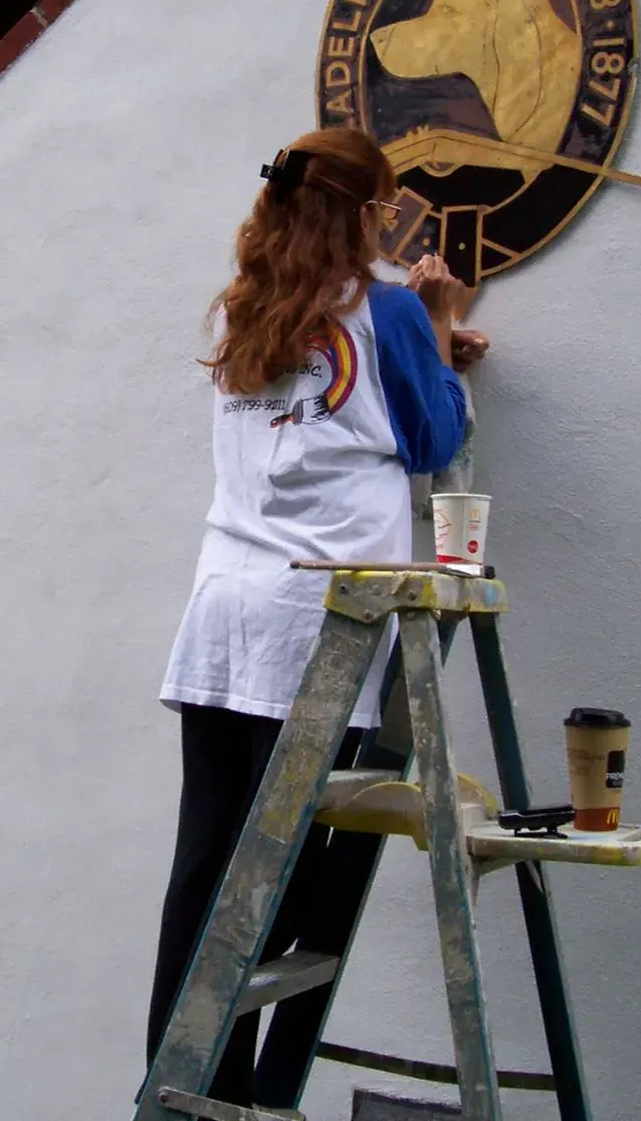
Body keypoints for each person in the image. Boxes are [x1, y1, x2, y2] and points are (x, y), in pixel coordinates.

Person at [146, 126, 487, 1106]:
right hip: (316, 627)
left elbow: (322, 403)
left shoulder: (246, 312)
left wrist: (420, 344)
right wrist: (437, 322)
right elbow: (430, 436)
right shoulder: (386, 313)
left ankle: (180, 1083)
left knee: (206, 857)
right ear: (365, 212)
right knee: (280, 876)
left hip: (224, 609)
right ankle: (234, 1090)